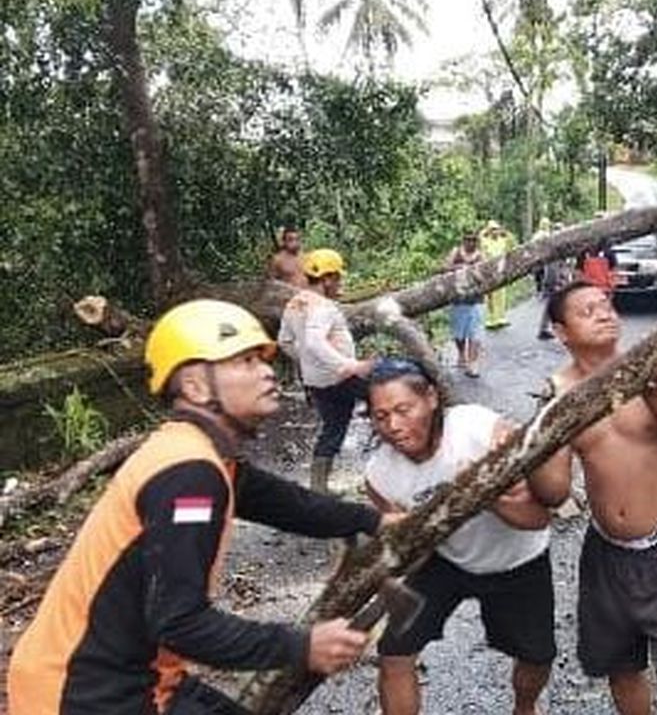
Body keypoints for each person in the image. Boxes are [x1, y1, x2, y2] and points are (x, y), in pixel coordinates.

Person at [6, 299, 400, 715]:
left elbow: (289, 504)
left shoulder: (205, 456)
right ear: (195, 387)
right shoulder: (189, 474)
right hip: (85, 693)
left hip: (138, 675)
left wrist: (374, 520)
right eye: (245, 361)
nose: (266, 370)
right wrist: (302, 646)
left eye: (263, 359)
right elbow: (181, 623)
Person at [529, 281, 657, 715]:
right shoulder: (557, 394)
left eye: (606, 305)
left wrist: (652, 387)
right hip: (607, 554)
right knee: (621, 668)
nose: (605, 313)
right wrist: (548, 435)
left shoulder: (653, 366)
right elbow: (552, 492)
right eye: (588, 311)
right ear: (560, 331)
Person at [363, 358, 556, 715]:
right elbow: (401, 541)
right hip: (446, 560)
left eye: (404, 409)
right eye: (381, 416)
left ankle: (525, 707)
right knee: (393, 654)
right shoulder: (380, 473)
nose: (393, 425)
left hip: (517, 559)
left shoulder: (476, 428)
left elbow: (538, 518)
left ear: (432, 398)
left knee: (537, 656)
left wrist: (488, 494)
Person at [277, 248, 374, 492]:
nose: (340, 282)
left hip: (316, 381)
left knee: (333, 429)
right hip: (342, 376)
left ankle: (318, 489)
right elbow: (314, 340)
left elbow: (284, 341)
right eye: (338, 277)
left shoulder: (295, 303)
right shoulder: (324, 307)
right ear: (327, 278)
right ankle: (389, 471)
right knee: (388, 397)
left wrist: (308, 363)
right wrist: (347, 365)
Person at [443, 230, 485, 378]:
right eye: (468, 240)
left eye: (473, 240)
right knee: (459, 333)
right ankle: (461, 354)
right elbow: (445, 267)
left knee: (476, 334)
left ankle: (472, 364)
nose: (471, 243)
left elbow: (483, 277)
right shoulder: (456, 252)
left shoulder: (480, 255)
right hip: (458, 300)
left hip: (476, 300)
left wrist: (474, 272)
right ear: (463, 240)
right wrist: (460, 267)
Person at [479, 219, 514, 329]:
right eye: (493, 230)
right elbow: (480, 240)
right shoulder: (485, 241)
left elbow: (511, 244)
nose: (495, 232)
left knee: (501, 295)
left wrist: (505, 232)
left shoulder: (502, 240)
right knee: (490, 297)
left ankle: (501, 318)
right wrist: (486, 230)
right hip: (489, 271)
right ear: (489, 230)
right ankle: (491, 320)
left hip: (501, 270)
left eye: (497, 229)